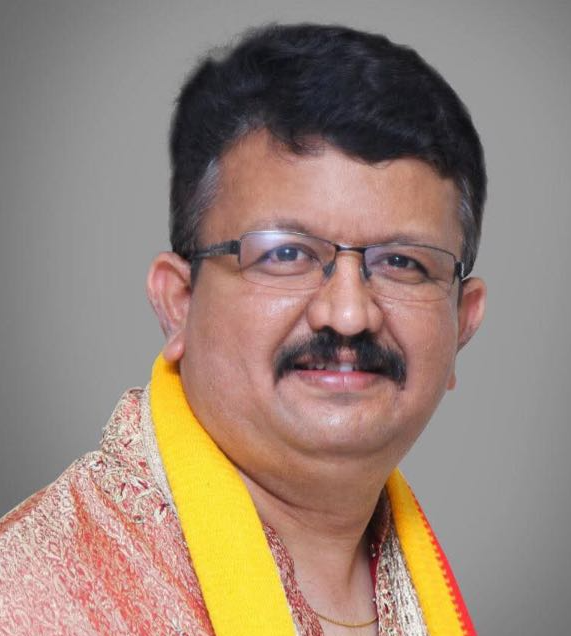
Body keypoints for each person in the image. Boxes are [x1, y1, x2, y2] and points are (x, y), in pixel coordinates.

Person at [0, 23, 486, 636]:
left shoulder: (418, 589)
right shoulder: (29, 598)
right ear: (179, 303)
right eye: (286, 254)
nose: (348, 313)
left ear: (462, 323)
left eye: (402, 263)